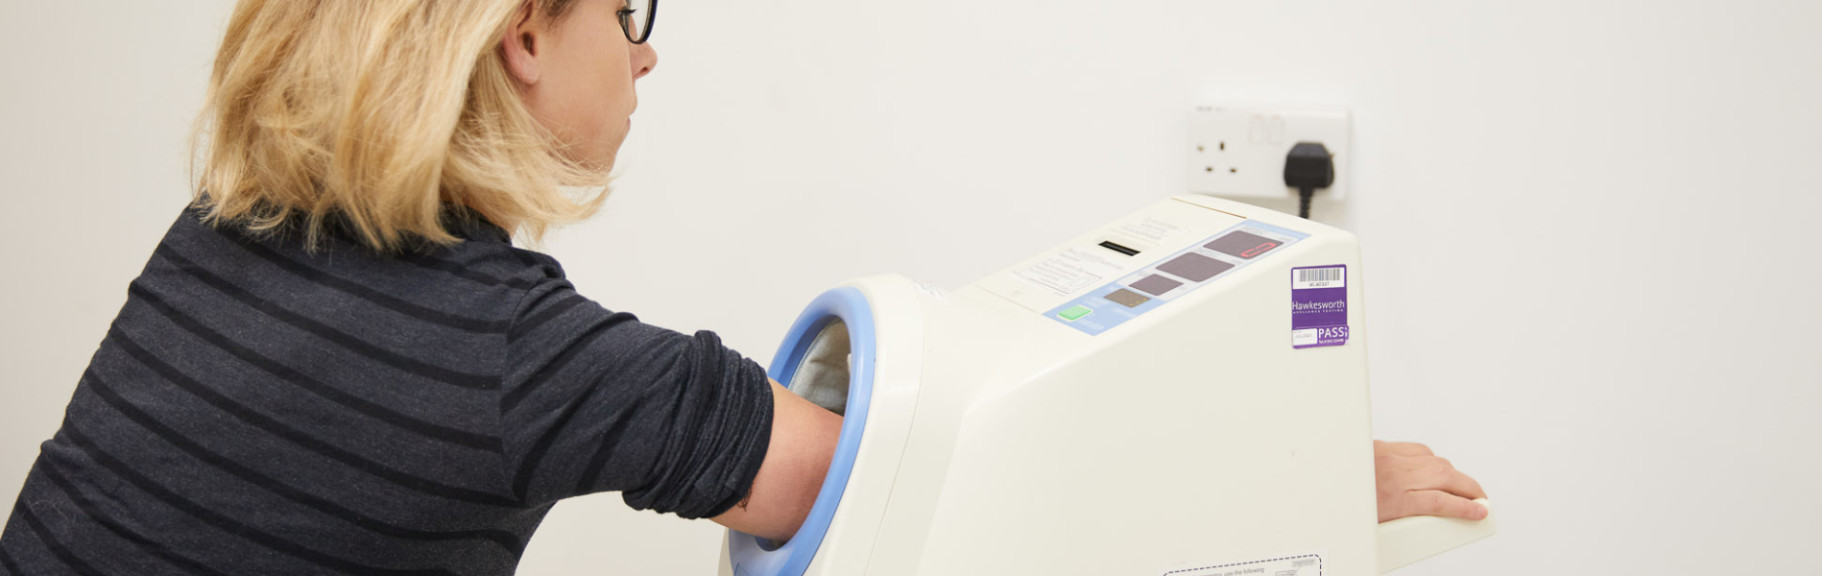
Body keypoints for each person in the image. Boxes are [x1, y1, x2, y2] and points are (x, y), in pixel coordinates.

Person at [0, 1, 1484, 574]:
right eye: (623, 12)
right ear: (524, 36)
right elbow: (935, 493)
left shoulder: (224, 225)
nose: (643, 52)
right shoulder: (518, 355)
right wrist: (1318, 475)